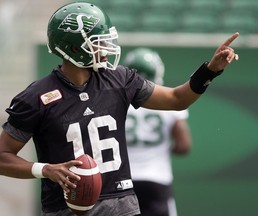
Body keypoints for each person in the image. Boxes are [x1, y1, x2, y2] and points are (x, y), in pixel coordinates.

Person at [0, 2, 239, 216]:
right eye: (97, 41)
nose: (106, 46)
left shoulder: (120, 79)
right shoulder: (37, 96)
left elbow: (177, 99)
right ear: (73, 48)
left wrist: (210, 70)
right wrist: (45, 170)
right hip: (66, 209)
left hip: (122, 205)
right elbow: (2, 157)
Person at [124, 48, 192, 216]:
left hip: (124, 180)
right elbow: (184, 145)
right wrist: (163, 149)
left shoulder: (118, 101)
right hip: (157, 179)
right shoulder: (167, 102)